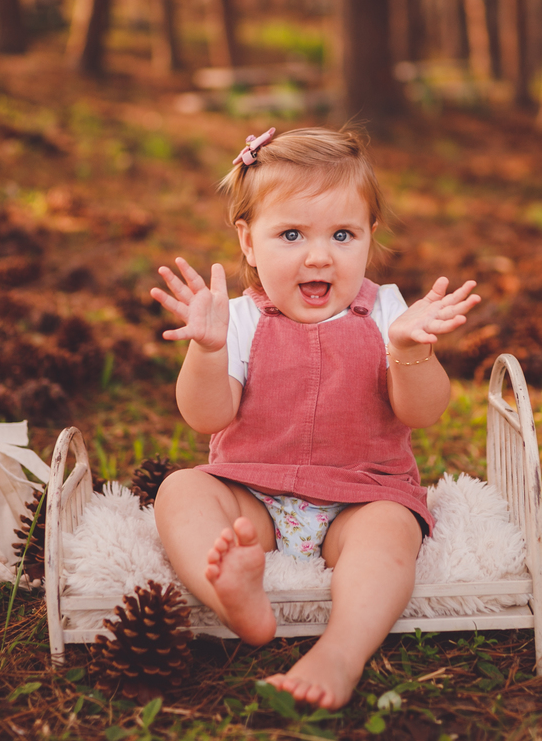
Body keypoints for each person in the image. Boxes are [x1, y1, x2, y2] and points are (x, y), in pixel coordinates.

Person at [149, 126, 481, 710]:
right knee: (181, 491)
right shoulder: (238, 320)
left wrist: (410, 351)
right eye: (292, 234)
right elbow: (207, 417)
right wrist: (206, 351)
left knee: (390, 534)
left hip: (362, 496)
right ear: (248, 242)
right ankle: (234, 597)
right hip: (253, 494)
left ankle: (341, 652)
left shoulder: (390, 313)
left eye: (343, 234)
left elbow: (423, 411)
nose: (320, 255)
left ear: (370, 237)